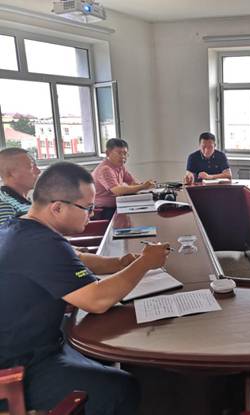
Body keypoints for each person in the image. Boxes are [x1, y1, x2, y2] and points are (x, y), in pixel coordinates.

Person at [0, 162, 170, 414]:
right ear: (57, 207)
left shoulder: (22, 227)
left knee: (108, 355)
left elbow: (75, 257)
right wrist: (145, 263)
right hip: (20, 368)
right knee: (122, 388)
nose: (92, 213)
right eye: (87, 208)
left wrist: (120, 263)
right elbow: (97, 300)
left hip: (40, 343)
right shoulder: (41, 244)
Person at [92, 138, 156, 220]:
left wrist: (145, 185)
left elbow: (132, 182)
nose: (123, 157)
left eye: (125, 153)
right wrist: (142, 187)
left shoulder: (120, 166)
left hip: (118, 204)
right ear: (108, 153)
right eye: (119, 153)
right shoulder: (105, 169)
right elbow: (117, 190)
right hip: (104, 211)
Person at [0, 148, 40, 225]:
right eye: (31, 167)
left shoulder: (26, 201)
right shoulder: (4, 205)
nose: (38, 171)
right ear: (12, 173)